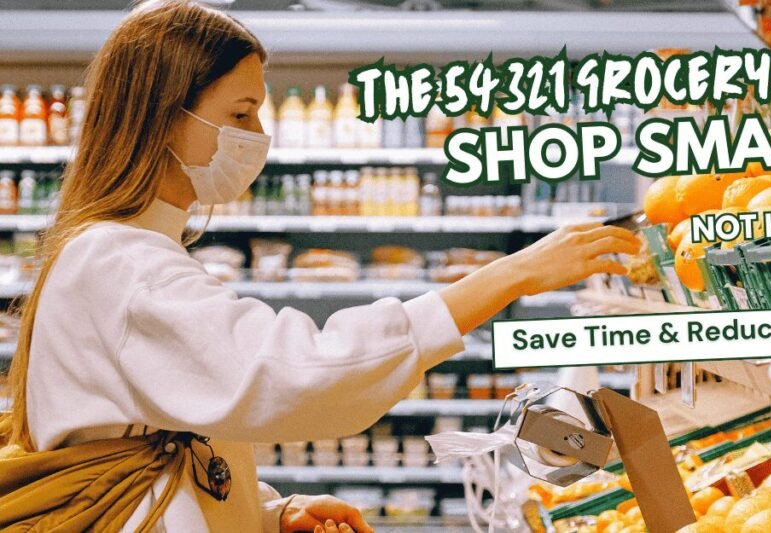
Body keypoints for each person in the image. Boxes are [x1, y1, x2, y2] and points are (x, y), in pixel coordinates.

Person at [0, 1, 640, 532]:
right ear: (165, 116)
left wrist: (272, 511)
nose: (258, 133)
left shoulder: (120, 251)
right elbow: (295, 374)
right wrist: (509, 275)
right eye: (240, 114)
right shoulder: (120, 263)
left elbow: (164, 444)